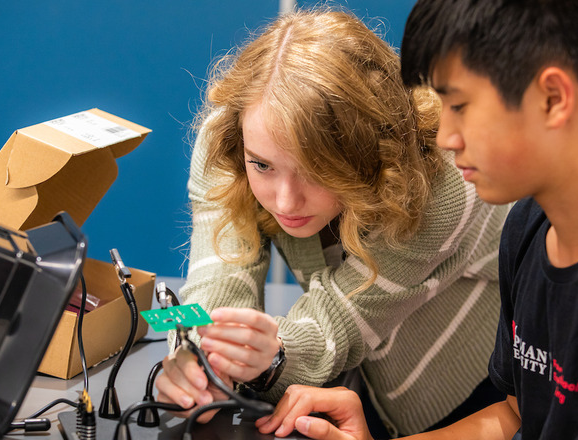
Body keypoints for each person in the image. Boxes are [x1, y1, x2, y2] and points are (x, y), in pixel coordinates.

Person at [256, 1, 578, 439]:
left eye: (460, 106)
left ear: (553, 98)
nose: (446, 136)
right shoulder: (529, 228)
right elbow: (512, 417)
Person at [155, 9, 511, 437]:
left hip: (464, 389)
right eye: (263, 166)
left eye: (314, 170)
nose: (285, 201)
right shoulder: (232, 136)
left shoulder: (441, 181)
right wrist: (199, 363)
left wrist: (272, 360)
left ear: (372, 147)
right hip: (356, 388)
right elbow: (222, 269)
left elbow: (339, 321)